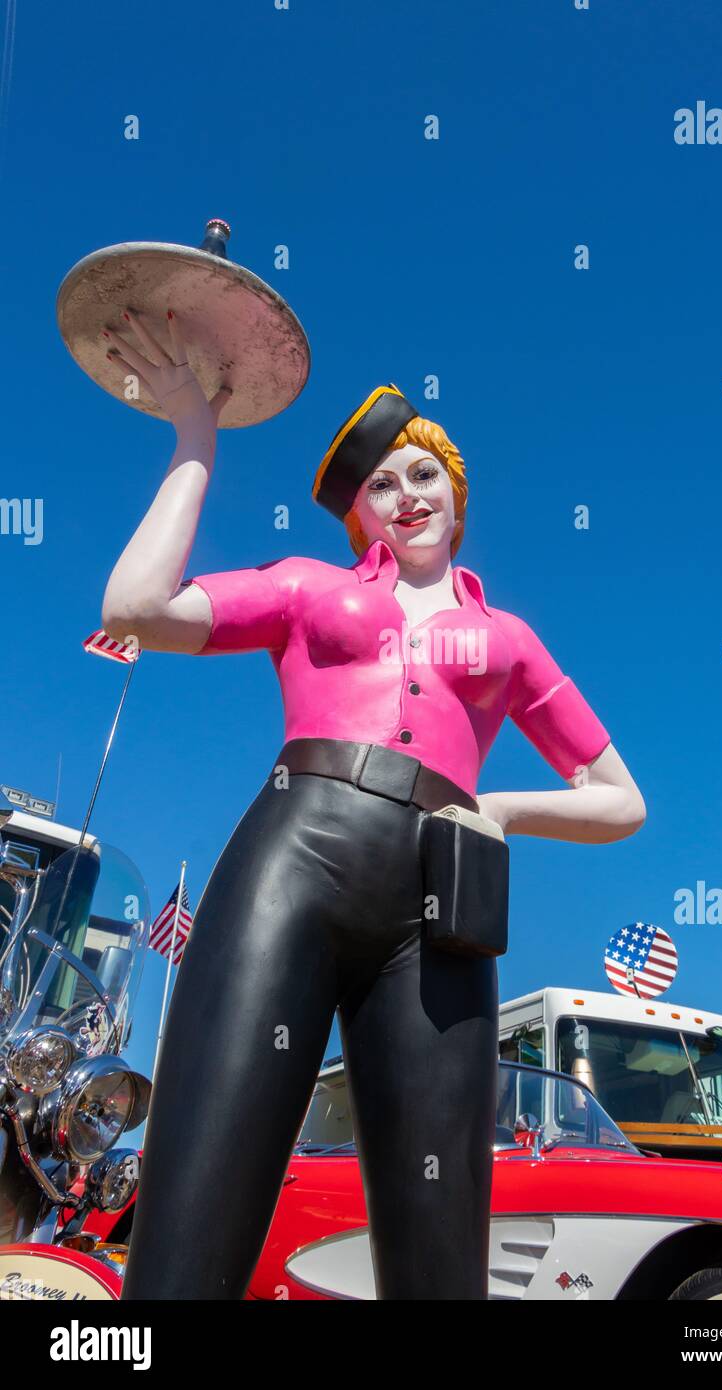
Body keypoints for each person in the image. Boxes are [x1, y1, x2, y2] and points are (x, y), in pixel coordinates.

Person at [103, 310, 646, 1300]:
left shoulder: (509, 641)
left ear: (457, 491)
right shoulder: (309, 590)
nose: (404, 495)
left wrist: (500, 812)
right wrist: (194, 439)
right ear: (359, 513)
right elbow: (134, 607)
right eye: (380, 483)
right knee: (199, 1193)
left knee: (441, 1241)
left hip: (442, 904)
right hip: (295, 855)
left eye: (421, 473)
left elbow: (618, 800)